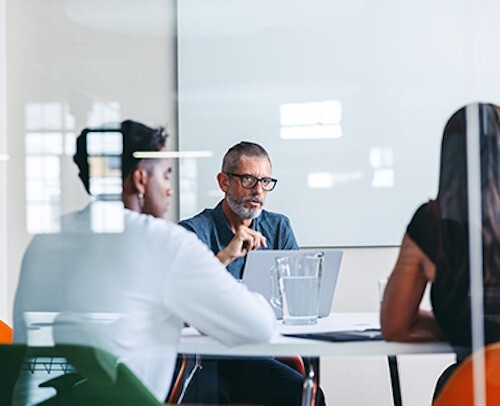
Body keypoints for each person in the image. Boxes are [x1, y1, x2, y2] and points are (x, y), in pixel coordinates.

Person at [13, 121, 276, 402]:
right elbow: (257, 327)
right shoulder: (163, 241)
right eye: (165, 176)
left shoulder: (46, 238)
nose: (169, 190)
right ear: (140, 180)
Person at [178, 141, 325, 405]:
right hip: (206, 359)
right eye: (248, 180)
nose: (258, 190)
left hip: (257, 355)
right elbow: (183, 299)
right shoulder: (193, 232)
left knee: (307, 394)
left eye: (265, 181)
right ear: (224, 182)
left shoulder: (278, 226)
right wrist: (226, 255)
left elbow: (297, 297)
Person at [380, 103, 500, 396]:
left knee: (450, 381)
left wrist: (466, 324)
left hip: (476, 388)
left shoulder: (431, 223)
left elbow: (397, 326)